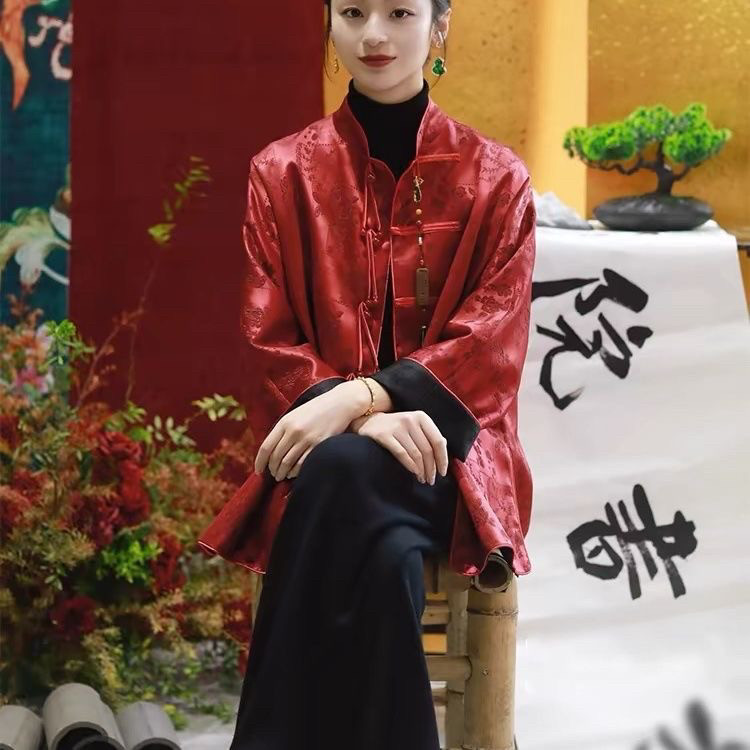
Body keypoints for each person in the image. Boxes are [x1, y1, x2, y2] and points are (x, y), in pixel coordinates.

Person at [198, 1, 537, 747]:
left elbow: (493, 346)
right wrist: (362, 419)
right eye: (352, 11)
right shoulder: (282, 173)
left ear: (439, 25)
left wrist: (362, 396)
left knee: (341, 471)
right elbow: (266, 335)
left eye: (399, 12)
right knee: (372, 535)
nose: (374, 34)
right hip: (330, 455)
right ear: (329, 22)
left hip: (452, 458)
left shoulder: (497, 179)